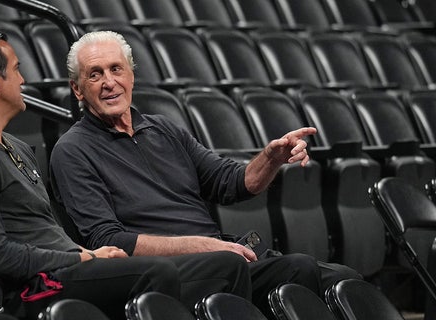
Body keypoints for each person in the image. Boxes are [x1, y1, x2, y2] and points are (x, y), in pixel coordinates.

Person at [0, 31, 252, 319]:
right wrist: (80, 259)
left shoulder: (16, 147)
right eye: (17, 69)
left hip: (63, 268)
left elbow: (47, 233)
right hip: (33, 286)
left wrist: (89, 255)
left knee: (206, 267)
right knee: (155, 272)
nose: (22, 80)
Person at [49, 30, 361, 316]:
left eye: (116, 69)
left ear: (131, 75)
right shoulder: (72, 150)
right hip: (164, 272)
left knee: (330, 275)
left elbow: (232, 183)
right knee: (235, 264)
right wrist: (204, 245)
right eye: (95, 75)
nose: (109, 82)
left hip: (219, 258)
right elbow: (109, 239)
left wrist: (270, 158)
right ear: (77, 89)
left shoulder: (164, 129)